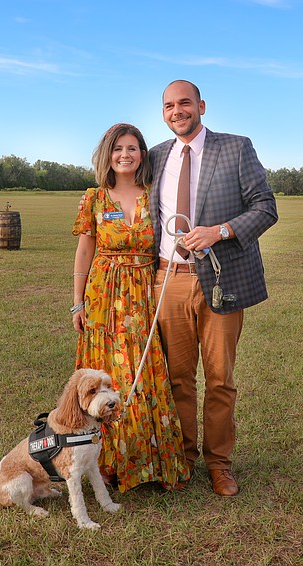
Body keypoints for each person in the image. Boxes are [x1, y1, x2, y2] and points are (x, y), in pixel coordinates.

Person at [150, 80, 278, 496]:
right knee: (178, 380)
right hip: (168, 281)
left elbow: (266, 207)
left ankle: (219, 464)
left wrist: (220, 231)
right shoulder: (155, 157)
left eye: (184, 103)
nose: (177, 111)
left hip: (221, 283)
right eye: (169, 105)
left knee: (220, 379)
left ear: (201, 105)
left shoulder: (236, 148)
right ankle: (183, 460)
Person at [72, 123, 189, 493]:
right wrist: (77, 302)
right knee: (108, 376)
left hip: (143, 295)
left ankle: (151, 462)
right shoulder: (94, 198)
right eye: (118, 148)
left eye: (133, 148)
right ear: (107, 154)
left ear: (143, 155)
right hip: (103, 298)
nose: (125, 154)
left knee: (145, 375)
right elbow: (85, 251)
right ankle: (105, 464)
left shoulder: (155, 196)